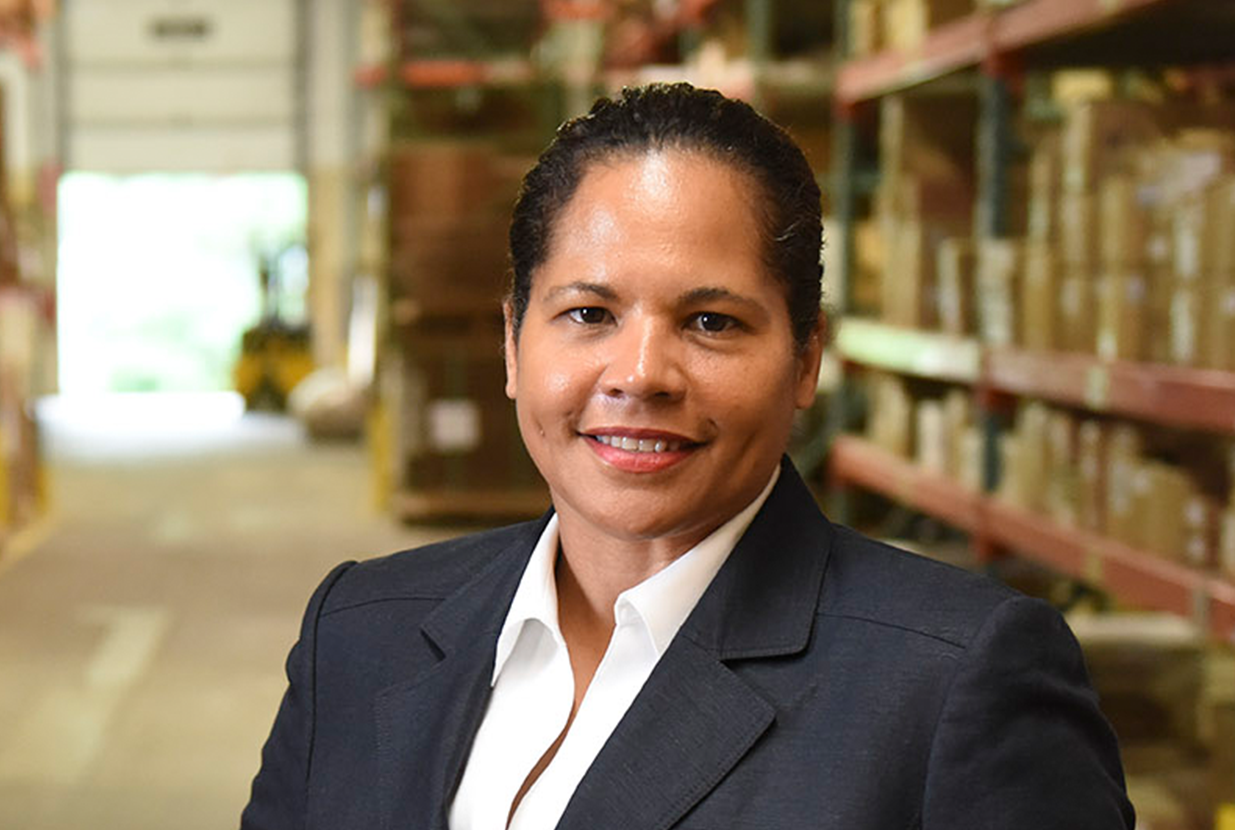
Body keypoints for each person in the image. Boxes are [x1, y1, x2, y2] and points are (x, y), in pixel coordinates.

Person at [239, 83, 1132, 830]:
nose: (639, 374)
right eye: (588, 314)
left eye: (712, 322)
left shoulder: (951, 685)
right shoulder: (359, 632)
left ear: (806, 359)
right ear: (513, 346)